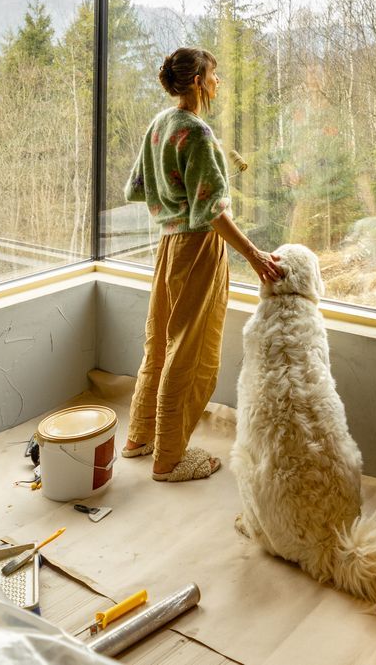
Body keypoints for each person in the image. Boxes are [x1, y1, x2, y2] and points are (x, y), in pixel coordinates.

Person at [121, 47, 284, 482]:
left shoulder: (161, 124)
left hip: (167, 244)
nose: (218, 82)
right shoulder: (196, 132)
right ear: (197, 82)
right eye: (215, 75)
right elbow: (212, 211)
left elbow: (137, 187)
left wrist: (191, 176)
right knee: (189, 351)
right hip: (196, 248)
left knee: (159, 342)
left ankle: (140, 437)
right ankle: (169, 457)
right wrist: (254, 255)